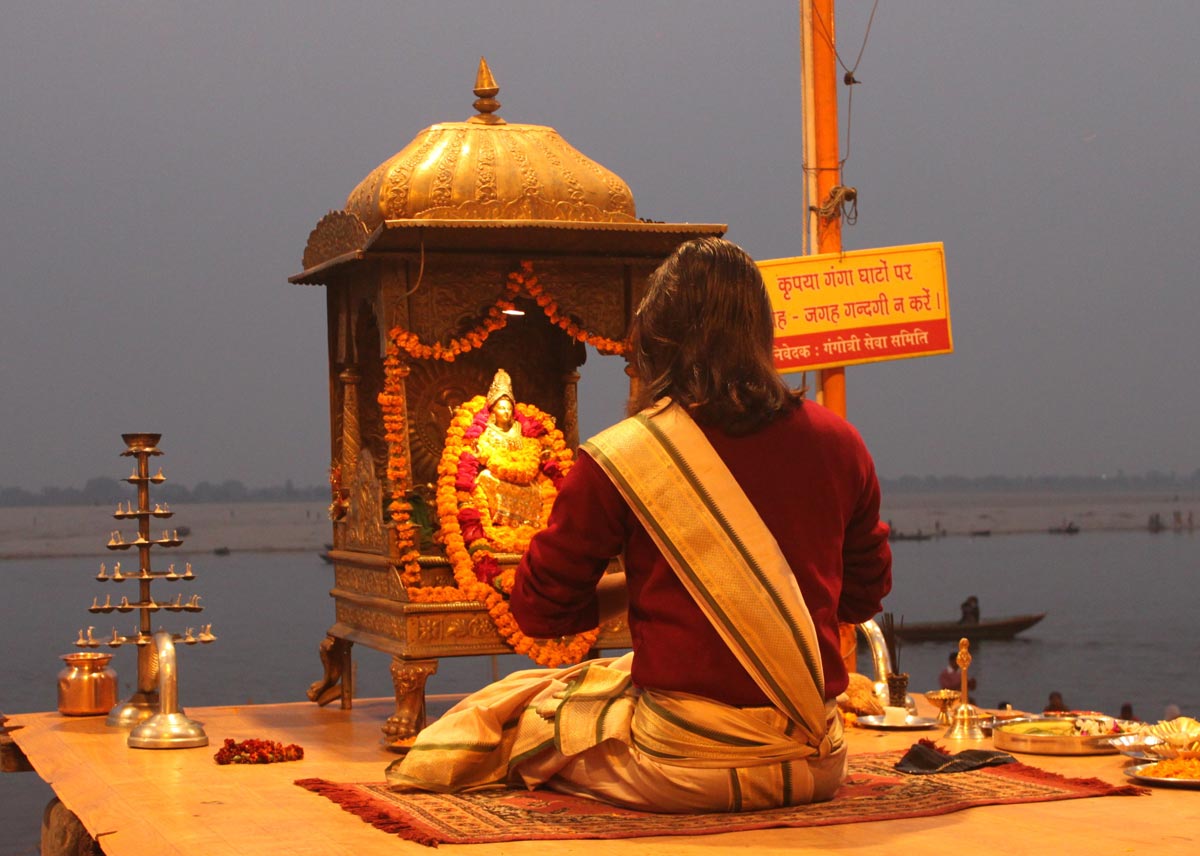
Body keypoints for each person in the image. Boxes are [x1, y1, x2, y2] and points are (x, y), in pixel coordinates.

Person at [387, 237, 893, 812]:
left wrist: (648, 587)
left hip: (681, 771)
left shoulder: (624, 457)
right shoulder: (841, 443)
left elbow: (538, 611)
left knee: (521, 715)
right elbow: (861, 596)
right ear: (763, 335)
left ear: (657, 343)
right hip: (817, 765)